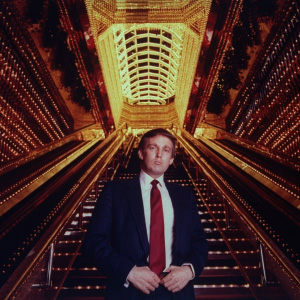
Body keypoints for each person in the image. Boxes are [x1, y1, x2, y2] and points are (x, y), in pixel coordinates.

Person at [83, 128, 208, 300]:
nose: (159, 155)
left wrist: (189, 270)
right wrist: (128, 271)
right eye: (153, 148)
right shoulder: (115, 191)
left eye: (166, 150)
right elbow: (93, 242)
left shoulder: (184, 195)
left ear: (171, 159)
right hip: (129, 291)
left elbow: (199, 242)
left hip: (176, 291)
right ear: (141, 153)